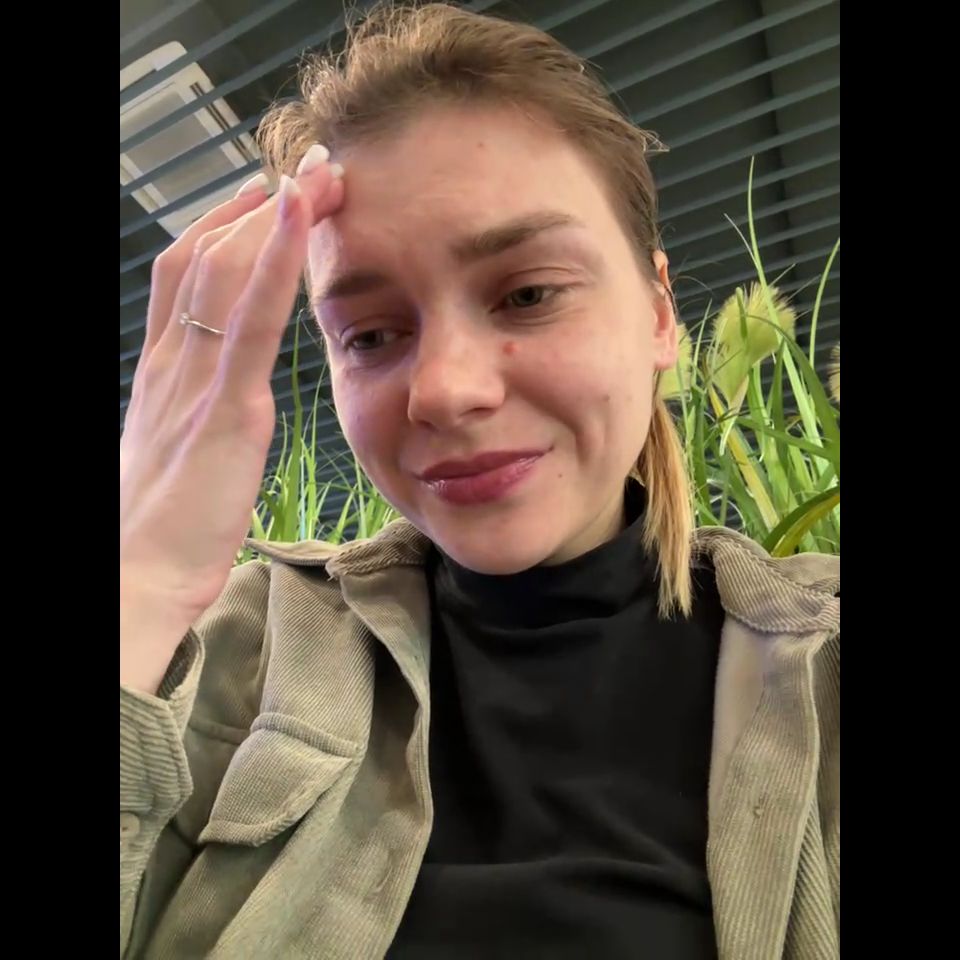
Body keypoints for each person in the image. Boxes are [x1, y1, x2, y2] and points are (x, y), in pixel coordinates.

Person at [119, 4, 840, 958]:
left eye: (528, 293)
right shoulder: (234, 654)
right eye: (370, 335)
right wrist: (142, 582)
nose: (445, 390)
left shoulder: (822, 664)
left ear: (659, 314)